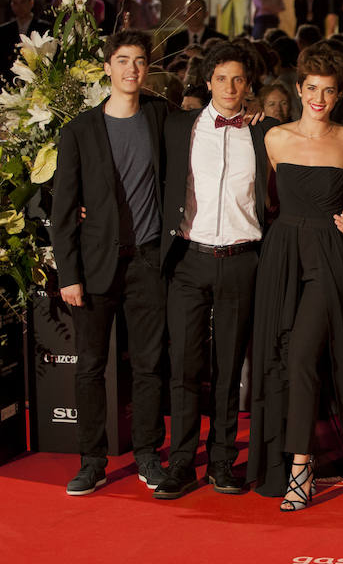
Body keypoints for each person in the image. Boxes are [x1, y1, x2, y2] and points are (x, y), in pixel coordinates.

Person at [153, 41, 278, 500]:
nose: (229, 87)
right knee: (185, 366)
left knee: (228, 367)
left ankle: (222, 460)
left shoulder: (266, 135)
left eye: (238, 79)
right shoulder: (177, 127)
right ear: (208, 82)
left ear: (250, 86)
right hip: (188, 258)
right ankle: (182, 461)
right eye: (221, 78)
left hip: (243, 260)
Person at [247, 45, 343, 511]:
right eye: (312, 89)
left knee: (301, 355)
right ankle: (277, 461)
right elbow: (259, 198)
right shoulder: (273, 138)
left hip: (327, 257)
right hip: (280, 254)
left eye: (329, 91)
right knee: (276, 357)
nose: (319, 98)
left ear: (338, 94)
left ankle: (301, 466)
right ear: (299, 89)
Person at [50, 30, 168, 496]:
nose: (131, 69)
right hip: (95, 266)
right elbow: (63, 210)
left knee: (148, 366)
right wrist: (69, 273)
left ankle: (147, 455)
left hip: (148, 262)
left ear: (147, 68)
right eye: (122, 60)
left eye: (139, 61)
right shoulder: (78, 130)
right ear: (107, 67)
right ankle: (92, 461)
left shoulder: (162, 117)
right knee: (89, 368)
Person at [1, 0, 50, 83]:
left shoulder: (44, 28)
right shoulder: (4, 30)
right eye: (15, 3)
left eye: (23, 2)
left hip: (37, 79)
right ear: (11, 5)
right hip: (9, 81)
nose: (19, 7)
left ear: (31, 3)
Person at [162, 0, 227, 67]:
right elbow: (166, 68)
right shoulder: (173, 41)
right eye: (189, 10)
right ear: (185, 14)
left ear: (206, 14)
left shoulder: (220, 39)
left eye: (198, 10)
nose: (193, 14)